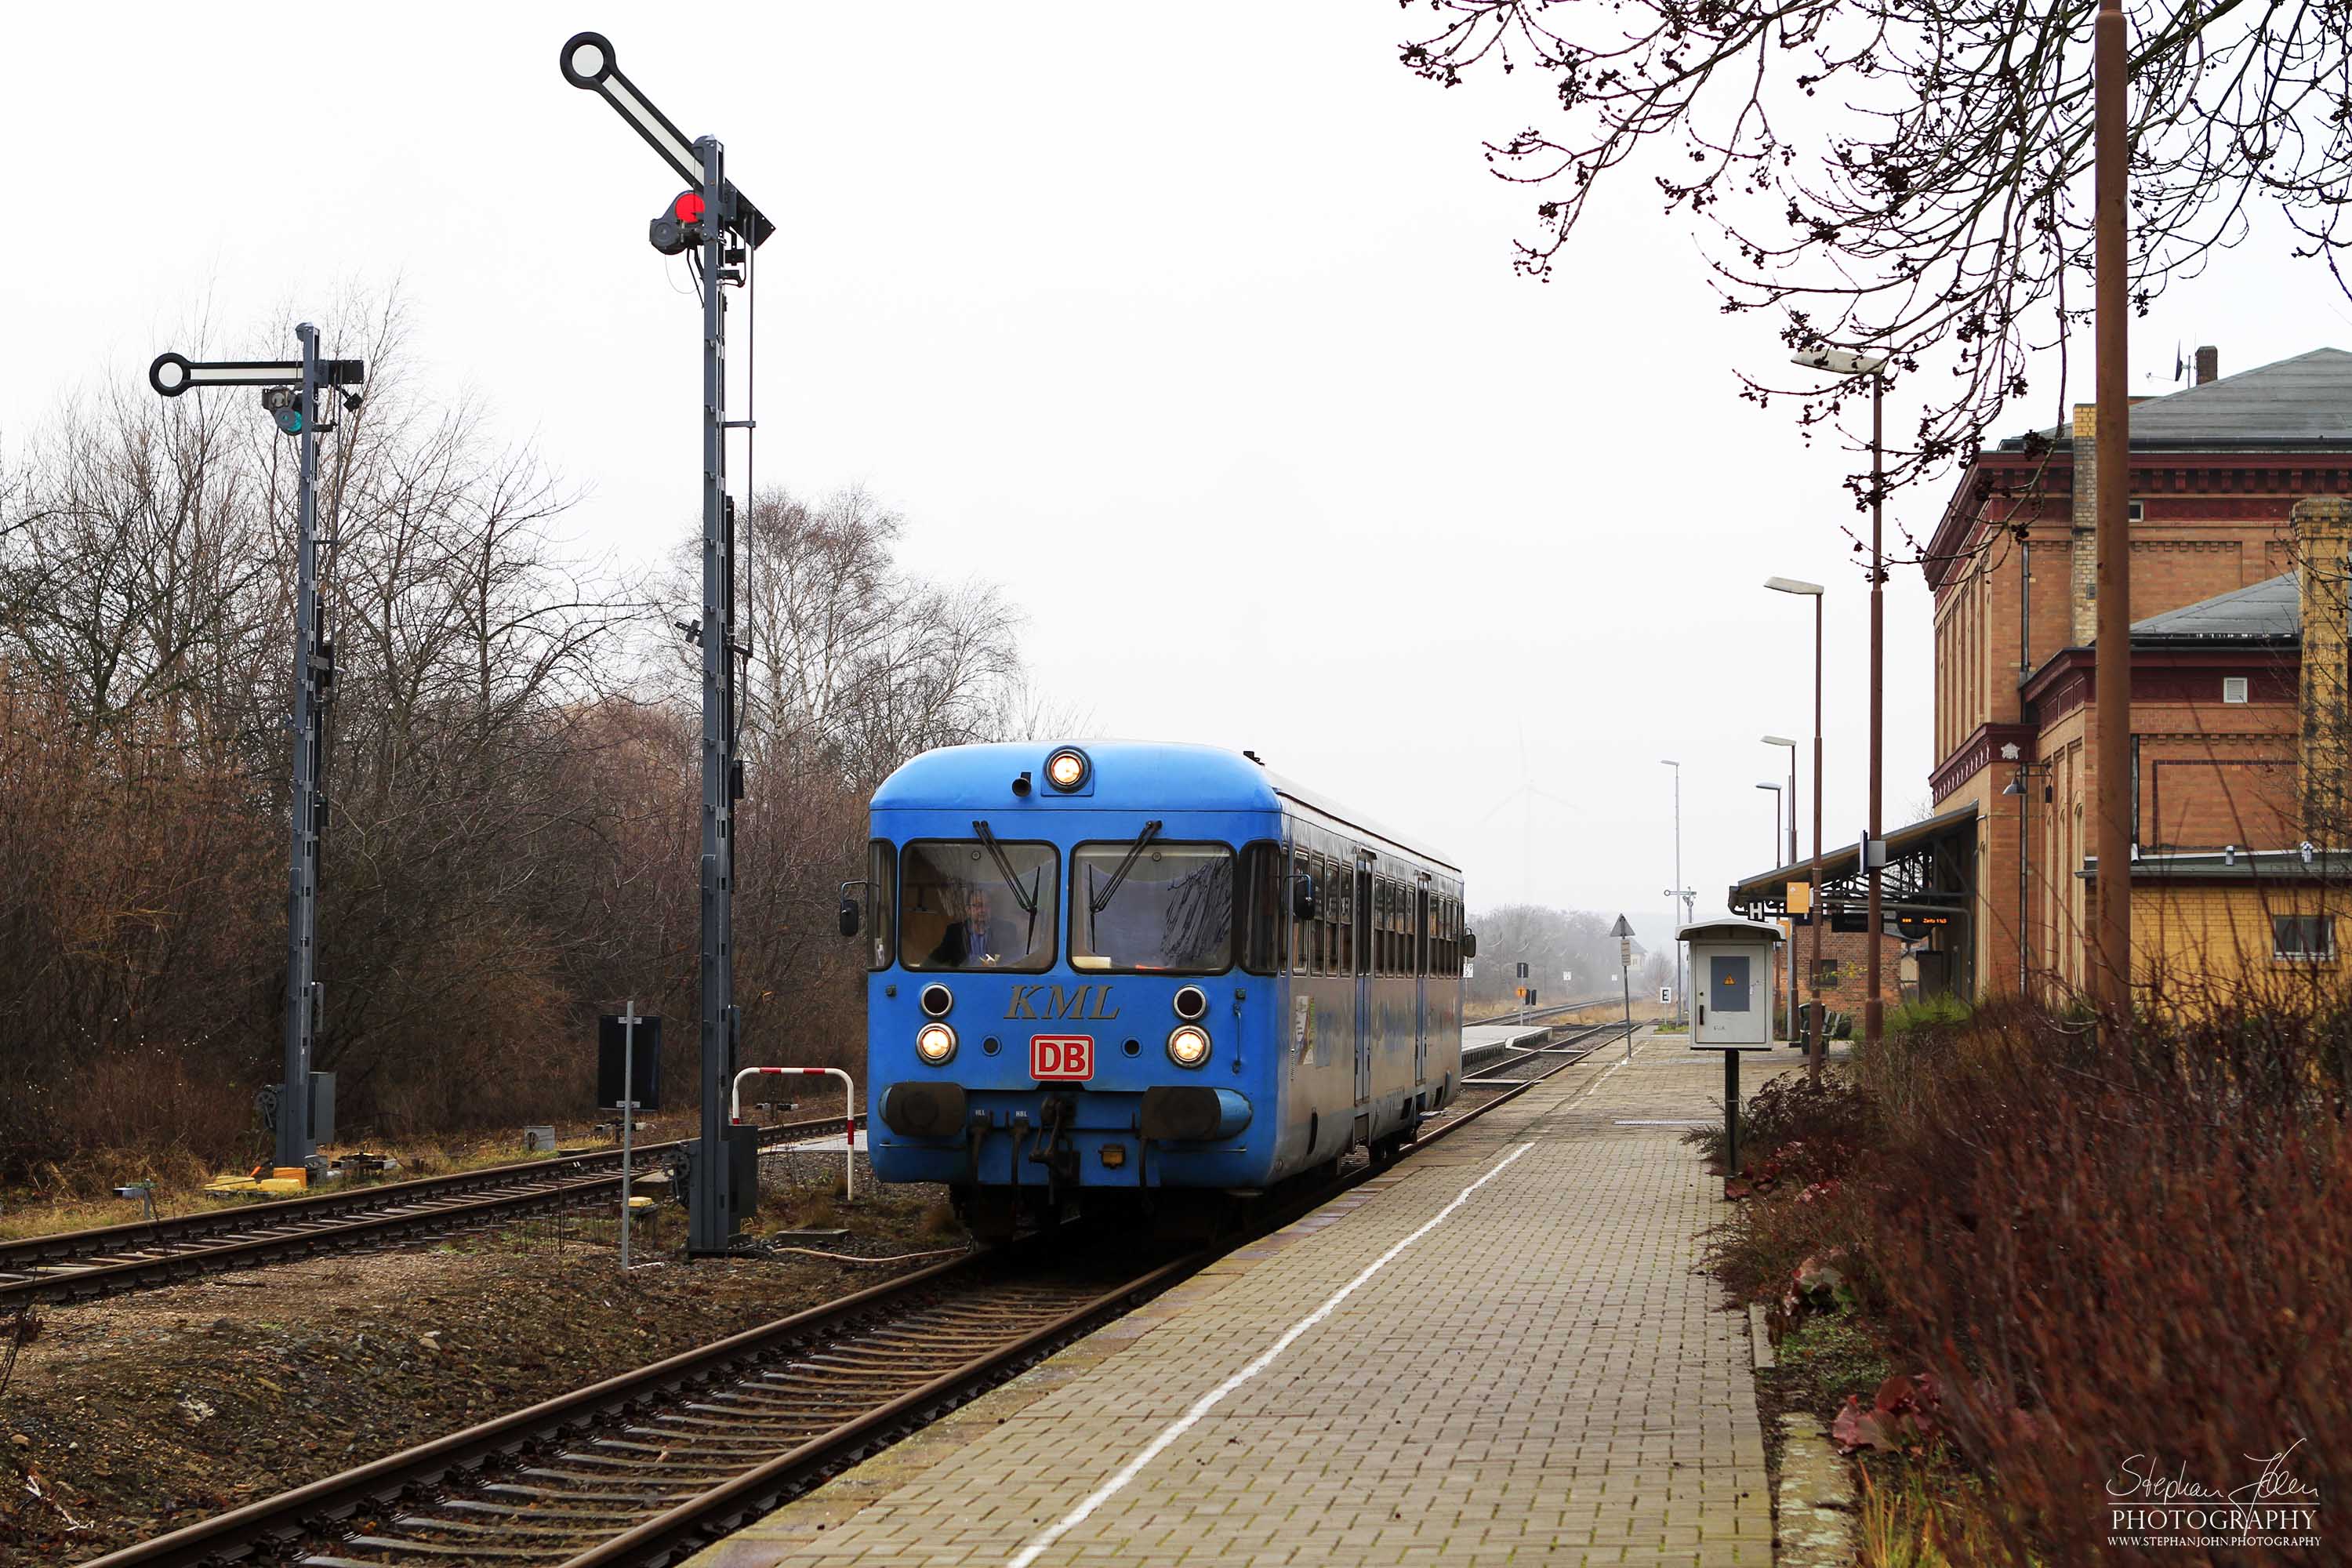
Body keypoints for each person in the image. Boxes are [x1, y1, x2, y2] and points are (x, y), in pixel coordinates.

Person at [931, 885, 1016, 967]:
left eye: (987, 906)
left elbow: (1013, 961)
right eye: (978, 906)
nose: (983, 910)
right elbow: (935, 960)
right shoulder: (955, 932)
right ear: (968, 910)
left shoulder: (1006, 930)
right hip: (964, 978)